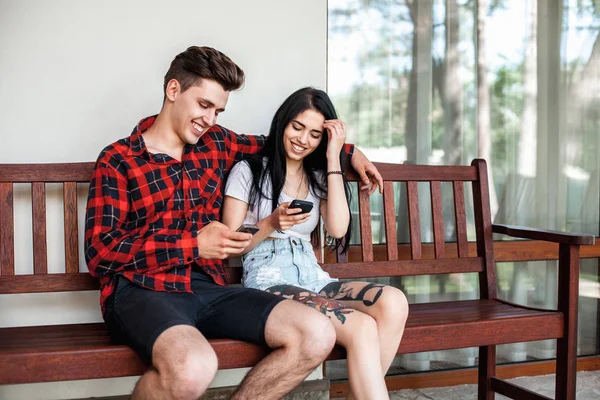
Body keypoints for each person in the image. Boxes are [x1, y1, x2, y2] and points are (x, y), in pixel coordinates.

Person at [84, 46, 384, 400]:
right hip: (142, 289)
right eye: (204, 105)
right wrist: (194, 245)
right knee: (193, 368)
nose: (210, 118)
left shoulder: (217, 143)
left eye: (218, 110)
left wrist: (348, 150)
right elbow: (101, 252)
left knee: (317, 333)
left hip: (209, 289)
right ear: (173, 90)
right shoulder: (119, 159)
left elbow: (283, 145)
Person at [222, 87, 409, 400]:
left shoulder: (319, 177)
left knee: (394, 301)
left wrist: (335, 154)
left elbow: (337, 228)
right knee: (361, 327)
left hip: (314, 278)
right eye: (297, 127)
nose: (302, 140)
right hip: (269, 282)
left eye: (314, 134)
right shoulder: (249, 171)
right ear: (282, 123)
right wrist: (270, 224)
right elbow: (229, 245)